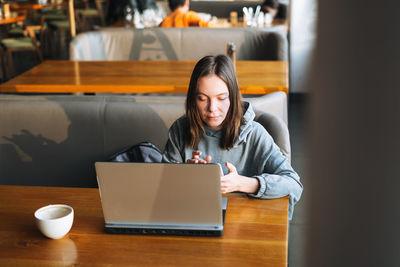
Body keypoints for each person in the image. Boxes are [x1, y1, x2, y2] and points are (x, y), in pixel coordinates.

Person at [162, 55, 303, 219]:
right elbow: (163, 191)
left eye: (221, 98)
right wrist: (187, 175)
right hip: (193, 219)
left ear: (233, 97)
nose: (212, 108)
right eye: (202, 99)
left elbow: (294, 184)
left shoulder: (254, 134)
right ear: (193, 99)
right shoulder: (179, 131)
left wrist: (243, 183)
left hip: (247, 225)